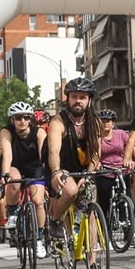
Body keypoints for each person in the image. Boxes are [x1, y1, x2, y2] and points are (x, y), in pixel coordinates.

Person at [46, 77, 102, 241]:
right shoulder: (58, 121)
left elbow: (96, 153)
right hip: (62, 167)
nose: (78, 101)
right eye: (74, 96)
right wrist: (56, 172)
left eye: (83, 97)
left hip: (84, 170)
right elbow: (53, 151)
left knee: (90, 209)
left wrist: (88, 175)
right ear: (68, 98)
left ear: (89, 100)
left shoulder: (95, 122)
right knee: (70, 190)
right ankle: (55, 220)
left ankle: (92, 262)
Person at [0, 101, 48, 257]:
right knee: (14, 182)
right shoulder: (6, 132)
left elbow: (44, 155)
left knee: (38, 202)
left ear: (30, 119)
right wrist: (5, 174)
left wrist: (48, 173)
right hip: (15, 166)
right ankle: (12, 213)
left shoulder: (39, 132)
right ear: (12, 120)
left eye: (26, 118)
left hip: (35, 167)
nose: (22, 121)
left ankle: (39, 238)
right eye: (18, 118)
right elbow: (7, 154)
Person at [95, 109, 132, 219]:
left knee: (125, 195)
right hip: (105, 171)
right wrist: (97, 163)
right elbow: (95, 152)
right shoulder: (97, 137)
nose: (105, 123)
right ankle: (104, 226)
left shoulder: (121, 134)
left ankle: (127, 222)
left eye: (108, 121)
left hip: (121, 170)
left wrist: (130, 160)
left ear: (113, 123)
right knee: (103, 201)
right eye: (103, 120)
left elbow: (130, 147)